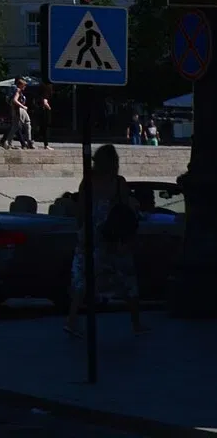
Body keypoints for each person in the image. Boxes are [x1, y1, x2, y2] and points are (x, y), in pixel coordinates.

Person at [65, 142, 143, 339]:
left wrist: (81, 229)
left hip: (90, 234)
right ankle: (136, 322)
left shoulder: (88, 181)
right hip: (112, 235)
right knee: (126, 278)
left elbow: (81, 210)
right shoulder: (118, 182)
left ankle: (72, 320)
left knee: (83, 278)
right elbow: (124, 210)